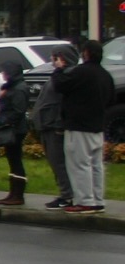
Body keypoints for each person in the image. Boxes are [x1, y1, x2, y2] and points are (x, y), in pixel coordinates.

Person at [57, 40, 115, 214]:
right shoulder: (105, 75)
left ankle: (85, 201)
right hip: (97, 126)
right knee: (96, 165)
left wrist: (59, 69)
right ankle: (97, 200)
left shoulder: (81, 72)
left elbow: (60, 85)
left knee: (79, 164)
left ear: (86, 53)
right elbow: (110, 99)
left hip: (78, 126)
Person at [34, 47, 75, 209]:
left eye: (55, 57)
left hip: (54, 125)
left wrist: (59, 124)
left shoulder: (67, 76)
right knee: (54, 161)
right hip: (46, 124)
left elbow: (64, 103)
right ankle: (65, 192)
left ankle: (67, 195)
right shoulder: (58, 75)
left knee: (59, 162)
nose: (52, 59)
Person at [0, 64, 30, 208]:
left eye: (4, 71)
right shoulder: (10, 87)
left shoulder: (19, 88)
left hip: (15, 129)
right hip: (12, 127)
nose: (2, 74)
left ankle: (18, 193)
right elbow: (5, 103)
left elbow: (18, 110)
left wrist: (5, 122)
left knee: (16, 160)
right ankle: (13, 192)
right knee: (12, 160)